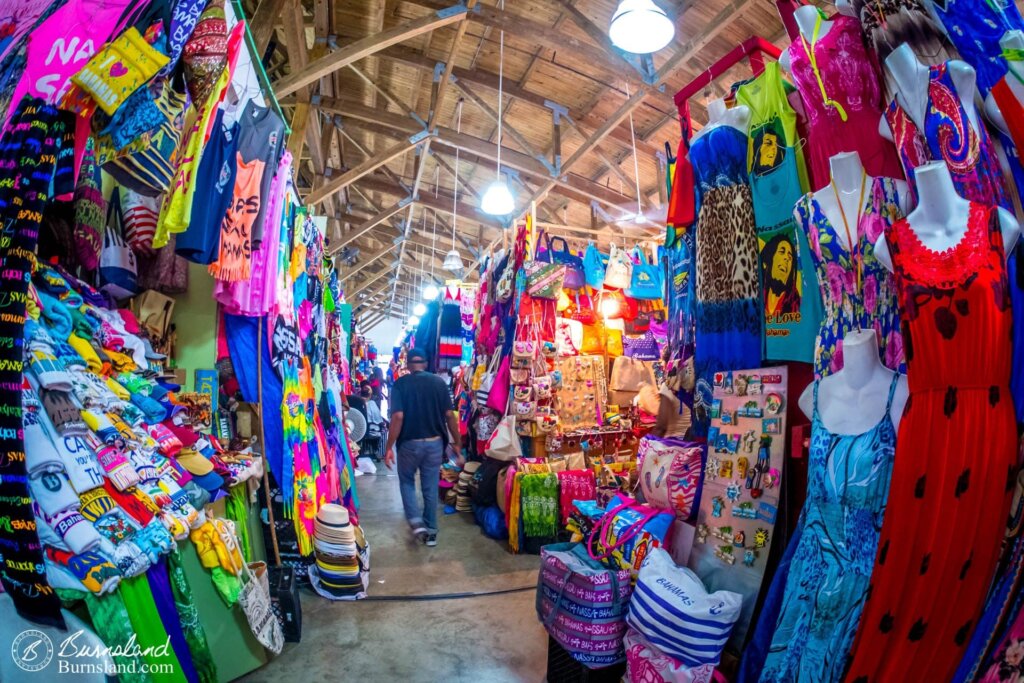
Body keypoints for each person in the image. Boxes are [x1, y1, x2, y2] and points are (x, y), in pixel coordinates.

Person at [384, 348, 461, 547]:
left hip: (409, 444)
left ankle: (417, 523)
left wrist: (389, 446)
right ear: (426, 364)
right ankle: (432, 532)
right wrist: (458, 442)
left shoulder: (400, 384)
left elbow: (398, 417)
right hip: (435, 443)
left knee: (407, 482)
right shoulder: (439, 383)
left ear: (408, 365)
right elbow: (450, 415)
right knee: (429, 486)